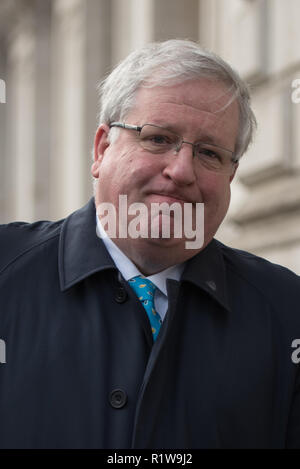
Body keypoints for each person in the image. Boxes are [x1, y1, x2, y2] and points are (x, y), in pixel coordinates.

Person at [0, 39, 299, 449]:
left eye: (209, 152)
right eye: (158, 139)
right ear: (102, 148)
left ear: (230, 178)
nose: (181, 170)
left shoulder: (286, 312)